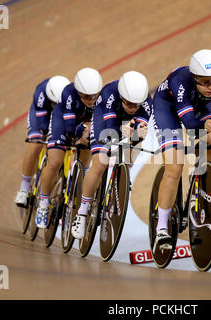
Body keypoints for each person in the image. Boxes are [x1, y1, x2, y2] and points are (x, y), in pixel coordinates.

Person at [150, 49, 211, 249]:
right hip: (167, 109)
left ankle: (198, 171)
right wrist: (205, 125)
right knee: (174, 167)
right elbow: (188, 123)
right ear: (194, 76)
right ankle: (161, 229)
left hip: (197, 107)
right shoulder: (180, 80)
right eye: (205, 81)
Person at [71, 70, 152, 240]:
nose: (133, 108)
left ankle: (125, 170)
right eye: (129, 104)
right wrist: (120, 130)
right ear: (122, 97)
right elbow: (108, 128)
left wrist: (137, 133)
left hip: (123, 124)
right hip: (105, 120)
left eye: (136, 105)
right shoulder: (109, 94)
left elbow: (141, 126)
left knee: (138, 138)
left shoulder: (145, 102)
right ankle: (82, 213)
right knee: (100, 163)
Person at [35, 67, 103, 229]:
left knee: (87, 157)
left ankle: (77, 184)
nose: (91, 100)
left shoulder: (102, 97)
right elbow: (70, 127)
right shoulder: (68, 93)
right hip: (63, 120)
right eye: (86, 97)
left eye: (94, 95)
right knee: (55, 162)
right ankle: (43, 205)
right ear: (78, 92)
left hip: (85, 121)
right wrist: (83, 132)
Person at [14, 75, 70, 208]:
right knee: (36, 144)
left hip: (60, 115)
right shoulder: (41, 92)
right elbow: (43, 124)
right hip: (41, 113)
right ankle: (24, 189)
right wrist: (47, 133)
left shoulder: (68, 95)